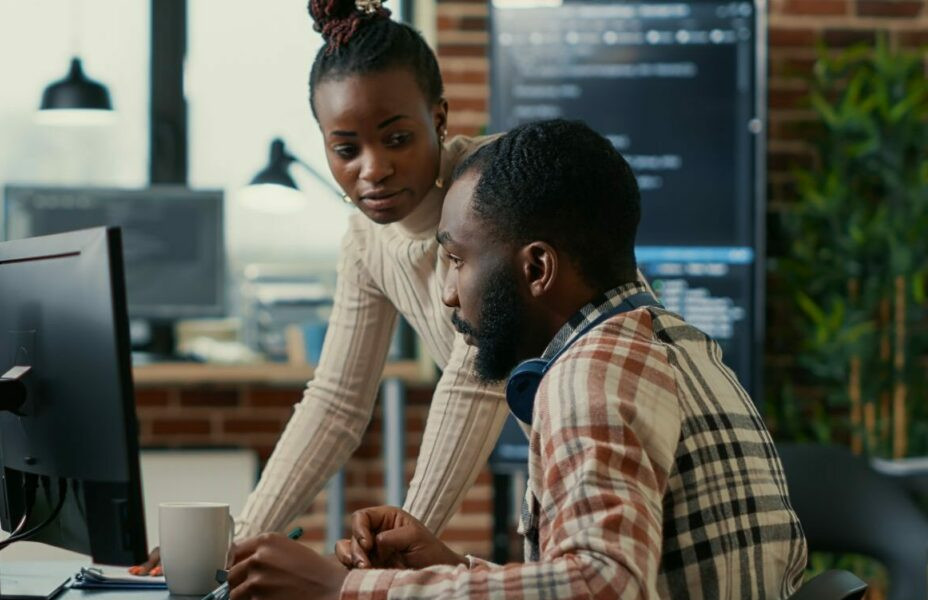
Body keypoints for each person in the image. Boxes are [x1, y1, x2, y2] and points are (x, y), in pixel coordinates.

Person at [224, 119, 808, 599]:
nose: (449, 293)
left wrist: (344, 591)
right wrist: (450, 566)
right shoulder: (673, 343)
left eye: (456, 261)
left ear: (536, 269)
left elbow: (606, 585)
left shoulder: (588, 375)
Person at [134, 0, 509, 572]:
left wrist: (394, 556)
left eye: (397, 138)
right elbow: (336, 402)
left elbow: (477, 380)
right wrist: (232, 547)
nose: (372, 169)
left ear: (438, 118)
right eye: (345, 149)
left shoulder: (493, 190)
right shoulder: (366, 240)